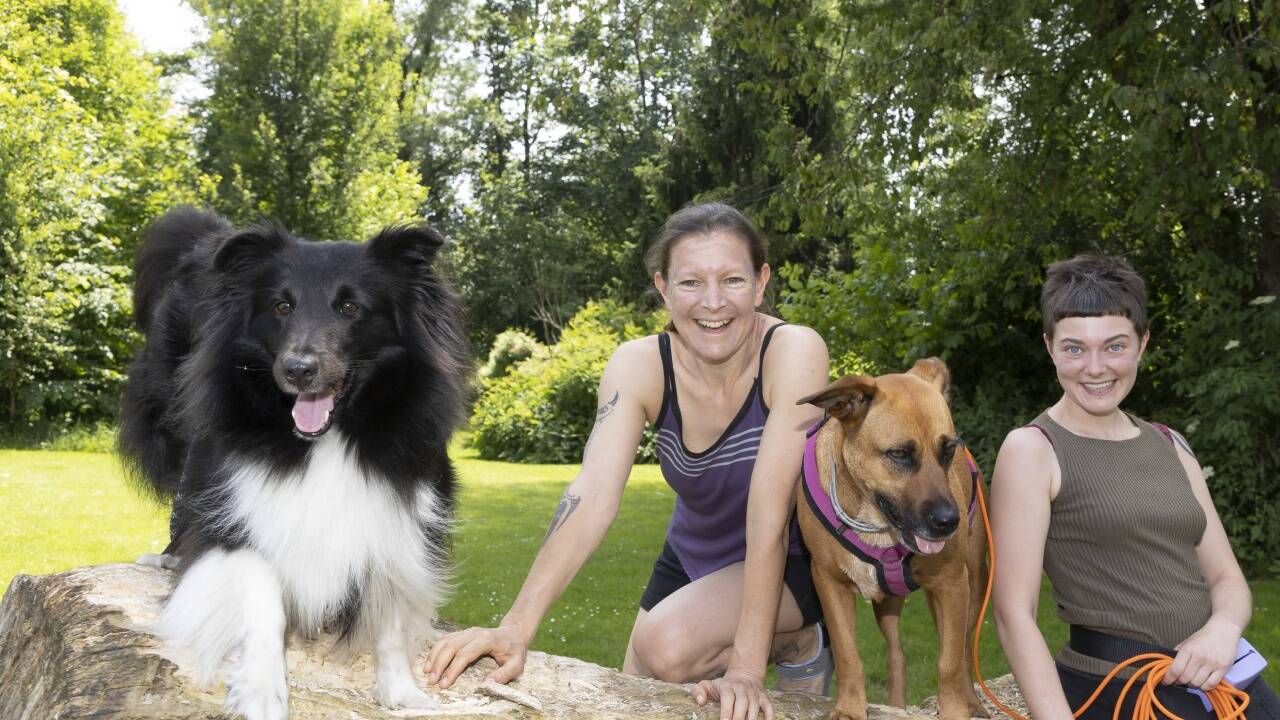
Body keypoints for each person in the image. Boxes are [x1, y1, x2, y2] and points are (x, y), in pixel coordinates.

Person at [425, 202, 832, 720]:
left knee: (666, 645)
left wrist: (747, 670)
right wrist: (515, 627)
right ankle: (756, 641)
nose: (712, 302)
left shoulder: (793, 350)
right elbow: (592, 494)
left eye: (732, 279)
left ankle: (800, 642)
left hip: (794, 557)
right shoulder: (640, 365)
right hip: (692, 555)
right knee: (634, 693)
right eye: (690, 282)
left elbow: (770, 513)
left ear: (760, 282)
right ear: (663, 288)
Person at [990, 254, 1279, 719]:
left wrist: (1223, 629)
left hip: (1219, 679)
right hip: (1119, 689)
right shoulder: (1033, 449)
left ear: (1142, 343)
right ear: (1049, 347)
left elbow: (1227, 578)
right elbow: (1013, 615)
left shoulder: (1170, 443)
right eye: (1074, 349)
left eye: (1115, 346)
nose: (1095, 367)